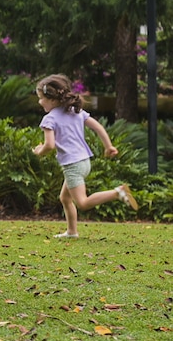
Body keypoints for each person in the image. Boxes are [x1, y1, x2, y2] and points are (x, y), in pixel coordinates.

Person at [32, 74, 138, 238]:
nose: (39, 102)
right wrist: (108, 146)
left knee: (82, 202)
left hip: (72, 165)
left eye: (41, 98)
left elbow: (50, 145)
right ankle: (72, 232)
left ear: (52, 100)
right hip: (84, 161)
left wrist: (39, 150)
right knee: (65, 198)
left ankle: (117, 192)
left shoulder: (49, 119)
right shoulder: (76, 112)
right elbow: (98, 128)